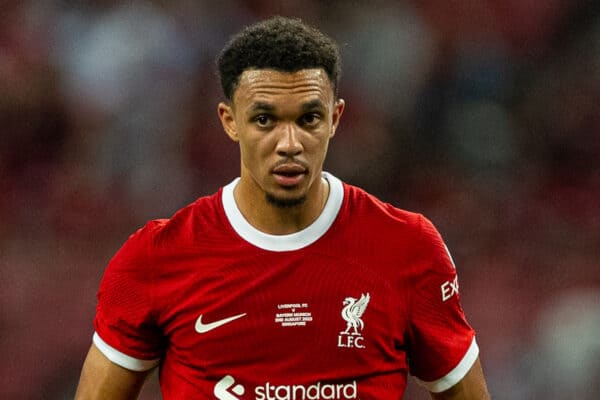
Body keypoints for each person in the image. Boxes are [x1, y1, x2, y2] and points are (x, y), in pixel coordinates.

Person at [75, 16, 490, 400]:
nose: (289, 143)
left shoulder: (408, 246)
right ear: (229, 120)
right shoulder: (156, 257)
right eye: (264, 120)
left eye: (308, 118)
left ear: (335, 118)